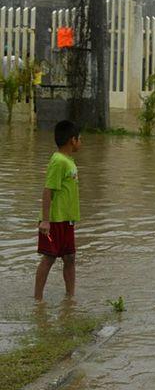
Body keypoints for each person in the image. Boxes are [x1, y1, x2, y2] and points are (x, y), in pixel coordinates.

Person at [35, 120, 81, 301]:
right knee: (49, 258)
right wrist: (45, 220)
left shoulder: (69, 161)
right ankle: (38, 300)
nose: (81, 142)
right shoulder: (58, 161)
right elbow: (48, 190)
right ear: (73, 140)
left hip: (67, 219)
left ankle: (70, 298)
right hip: (54, 220)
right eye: (80, 139)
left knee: (70, 257)